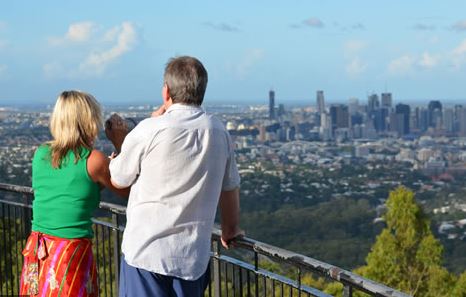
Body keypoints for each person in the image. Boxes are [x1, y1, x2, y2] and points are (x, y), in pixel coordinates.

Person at [105, 56, 242, 297]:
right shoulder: (219, 132)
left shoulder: (149, 128)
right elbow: (229, 188)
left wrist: (120, 147)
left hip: (145, 254)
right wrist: (229, 230)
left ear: (166, 91)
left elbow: (119, 179)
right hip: (192, 258)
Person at [20, 90, 129, 296]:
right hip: (69, 256)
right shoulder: (94, 160)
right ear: (88, 120)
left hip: (38, 252)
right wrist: (121, 144)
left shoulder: (41, 154)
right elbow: (128, 191)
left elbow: (74, 189)